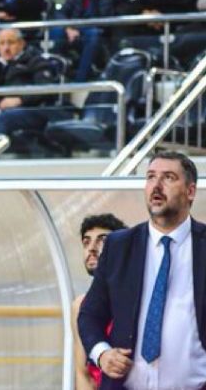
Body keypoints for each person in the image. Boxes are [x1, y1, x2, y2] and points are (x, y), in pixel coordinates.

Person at [79, 151, 206, 389]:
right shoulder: (118, 246)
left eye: (168, 178)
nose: (156, 186)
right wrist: (102, 354)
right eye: (150, 177)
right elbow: (90, 315)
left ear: (190, 191)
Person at [0, 28, 62, 142]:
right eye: (2, 43)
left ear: (21, 44)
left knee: (4, 117)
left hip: (29, 109)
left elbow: (46, 89)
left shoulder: (36, 61)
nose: (6, 48)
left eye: (11, 43)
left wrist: (20, 100)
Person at [71, 213, 126, 390]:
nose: (91, 248)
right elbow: (83, 373)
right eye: (86, 242)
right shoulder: (80, 305)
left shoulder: (134, 298)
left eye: (102, 240)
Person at [52, 0, 132, 82]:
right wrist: (68, 28)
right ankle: (54, 78)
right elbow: (60, 13)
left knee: (93, 33)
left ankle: (80, 82)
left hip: (100, 41)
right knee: (56, 31)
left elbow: (103, 22)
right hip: (73, 32)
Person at [130, 0, 206, 65]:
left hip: (178, 41)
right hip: (150, 37)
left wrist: (161, 19)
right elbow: (132, 7)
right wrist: (146, 14)